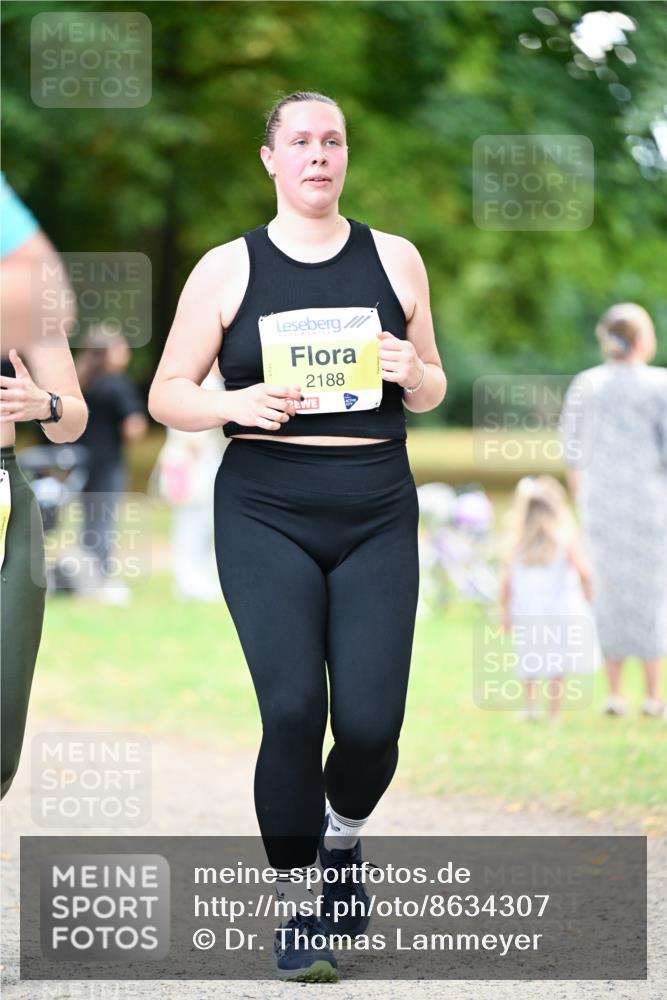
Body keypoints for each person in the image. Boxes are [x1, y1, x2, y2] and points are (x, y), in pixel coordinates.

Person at [148, 91, 447, 981]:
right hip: (264, 508)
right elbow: (169, 391)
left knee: (369, 724)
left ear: (345, 156)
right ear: (271, 159)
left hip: (376, 507)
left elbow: (432, 387)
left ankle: (343, 841)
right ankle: (298, 906)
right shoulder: (225, 269)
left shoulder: (395, 259)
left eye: (333, 141)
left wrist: (412, 369)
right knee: (290, 710)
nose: (320, 155)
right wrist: (227, 402)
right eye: (301, 142)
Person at [0, 172, 88, 799]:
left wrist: (44, 401)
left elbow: (73, 418)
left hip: (5, 496)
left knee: (3, 711)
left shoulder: (22, 292)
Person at [559, 303, 667, 719]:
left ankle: (615, 692)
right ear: (642, 339)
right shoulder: (659, 385)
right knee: (653, 594)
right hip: (650, 502)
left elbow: (573, 452)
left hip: (600, 503)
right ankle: (655, 693)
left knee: (606, 593)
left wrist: (582, 502)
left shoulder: (588, 383)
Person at [499, 475, 601, 722]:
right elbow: (584, 570)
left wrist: (504, 610)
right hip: (559, 610)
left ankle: (530, 706)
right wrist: (588, 590)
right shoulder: (564, 538)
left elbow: (506, 581)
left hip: (527, 610)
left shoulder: (518, 542)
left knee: (529, 655)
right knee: (557, 661)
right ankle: (553, 712)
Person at [74, 325, 147, 601]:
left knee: (88, 522)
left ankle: (86, 577)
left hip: (80, 461)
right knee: (104, 520)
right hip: (109, 461)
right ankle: (103, 580)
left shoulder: (82, 381)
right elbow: (134, 427)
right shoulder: (118, 383)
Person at [153, 362, 227, 601]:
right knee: (191, 521)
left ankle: (199, 577)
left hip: (205, 458)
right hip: (192, 460)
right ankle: (189, 579)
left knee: (203, 521)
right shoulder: (202, 381)